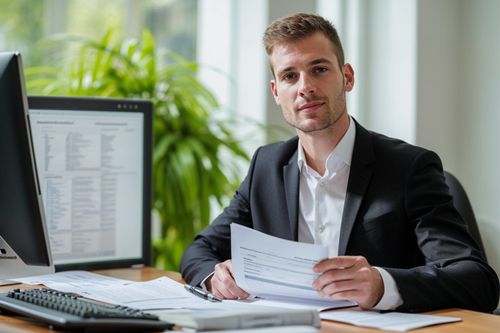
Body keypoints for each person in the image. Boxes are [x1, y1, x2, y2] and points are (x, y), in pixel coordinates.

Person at [180, 12, 499, 312]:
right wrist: (214, 274)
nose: (305, 87)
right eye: (290, 76)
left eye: (319, 69)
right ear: (277, 92)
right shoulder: (268, 166)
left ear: (347, 77)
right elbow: (199, 250)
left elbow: (477, 281)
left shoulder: (409, 168)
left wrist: (382, 284)